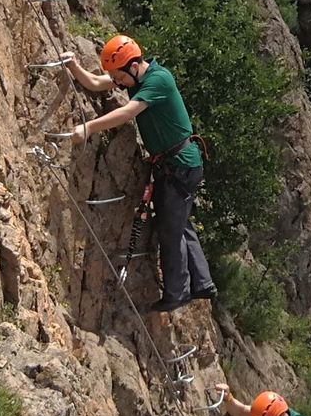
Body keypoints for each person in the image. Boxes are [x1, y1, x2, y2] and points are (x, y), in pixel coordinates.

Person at [64, 35, 217, 313]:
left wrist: (88, 128)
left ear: (133, 66)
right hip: (179, 165)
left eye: (118, 76)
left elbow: (128, 112)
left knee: (169, 232)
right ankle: (203, 282)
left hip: (179, 167)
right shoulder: (136, 77)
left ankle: (177, 293)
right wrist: (74, 66)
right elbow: (98, 83)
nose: (117, 81)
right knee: (180, 223)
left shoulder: (157, 81)